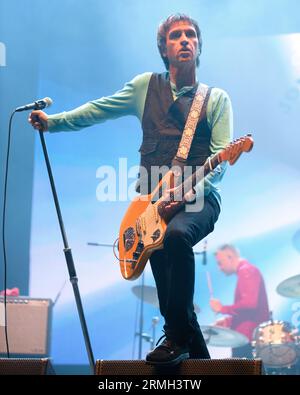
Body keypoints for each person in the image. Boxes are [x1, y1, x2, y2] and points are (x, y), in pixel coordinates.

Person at [29, 13, 233, 366]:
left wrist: (188, 192)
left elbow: (222, 157)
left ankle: (176, 338)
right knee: (174, 303)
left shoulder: (216, 99)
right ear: (163, 49)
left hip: (199, 200)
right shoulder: (144, 87)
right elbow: (98, 110)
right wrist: (53, 123)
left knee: (177, 238)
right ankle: (193, 356)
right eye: (175, 36)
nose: (184, 40)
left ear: (198, 47)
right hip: (149, 211)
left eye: (190, 35)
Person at [210, 244, 269, 358]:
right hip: (247, 337)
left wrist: (222, 309)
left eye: (220, 263)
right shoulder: (246, 270)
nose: (219, 268)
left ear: (230, 256)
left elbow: (250, 304)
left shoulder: (246, 270)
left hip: (248, 338)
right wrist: (229, 321)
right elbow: (249, 312)